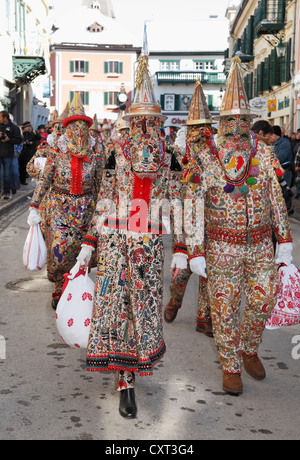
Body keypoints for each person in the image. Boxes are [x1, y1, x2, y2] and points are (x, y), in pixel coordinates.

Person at [177, 57, 293, 395]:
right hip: (221, 246)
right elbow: (193, 206)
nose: (238, 124)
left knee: (263, 298)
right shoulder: (206, 157)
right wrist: (195, 248)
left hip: (259, 244)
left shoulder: (266, 154)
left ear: (250, 121)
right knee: (224, 306)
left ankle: (249, 348)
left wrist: (283, 239)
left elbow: (275, 196)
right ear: (221, 121)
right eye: (231, 119)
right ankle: (230, 364)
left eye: (244, 119)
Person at [76, 54, 183, 419]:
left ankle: (134, 368)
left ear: (157, 120)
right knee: (117, 307)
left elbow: (176, 199)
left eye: (150, 120)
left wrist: (183, 245)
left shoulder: (168, 156)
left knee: (143, 309)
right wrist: (88, 244)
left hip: (149, 245)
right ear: (129, 119)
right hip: (115, 243)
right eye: (138, 119)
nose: (143, 126)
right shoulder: (113, 153)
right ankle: (126, 381)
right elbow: (104, 196)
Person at [27, 94, 103, 310]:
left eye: (82, 126)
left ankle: (77, 287)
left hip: (87, 210)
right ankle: (60, 286)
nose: (78, 131)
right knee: (60, 253)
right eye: (74, 126)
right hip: (60, 208)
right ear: (67, 129)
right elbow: (45, 180)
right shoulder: (56, 152)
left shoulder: (96, 153)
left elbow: (101, 186)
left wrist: (104, 213)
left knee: (83, 252)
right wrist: (34, 206)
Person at [164, 79, 213, 337]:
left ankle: (204, 317)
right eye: (197, 133)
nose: (201, 139)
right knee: (182, 271)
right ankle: (175, 301)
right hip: (185, 217)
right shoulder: (177, 155)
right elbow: (173, 189)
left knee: (209, 270)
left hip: (210, 220)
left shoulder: (216, 156)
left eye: (205, 133)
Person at [0, 110, 23, 199]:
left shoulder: (14, 128)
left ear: (5, 118)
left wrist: (8, 139)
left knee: (6, 174)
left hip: (8, 154)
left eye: (0, 117)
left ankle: (6, 192)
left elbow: (18, 140)